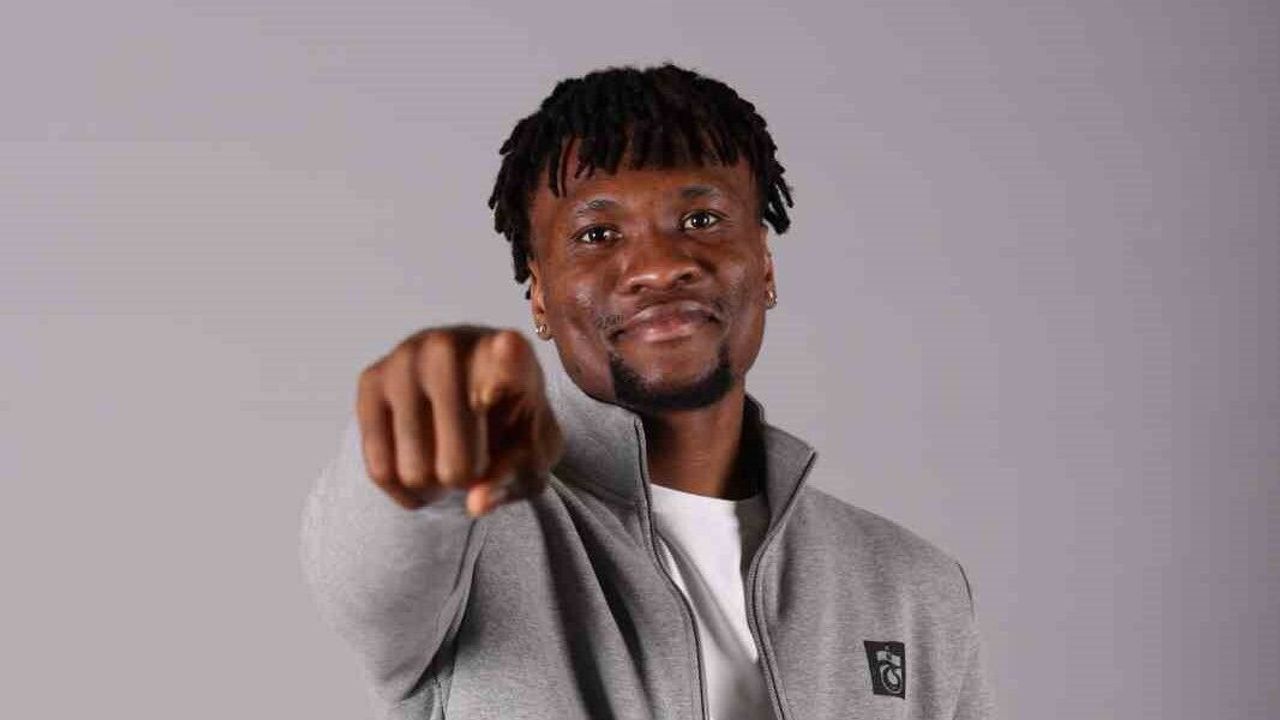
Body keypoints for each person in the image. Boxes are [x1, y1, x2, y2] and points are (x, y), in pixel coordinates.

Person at [301, 63, 995, 719]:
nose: (659, 267)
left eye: (701, 220)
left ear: (765, 264)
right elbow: (370, 568)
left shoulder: (912, 585)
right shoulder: (474, 542)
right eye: (598, 233)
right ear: (539, 297)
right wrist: (418, 447)